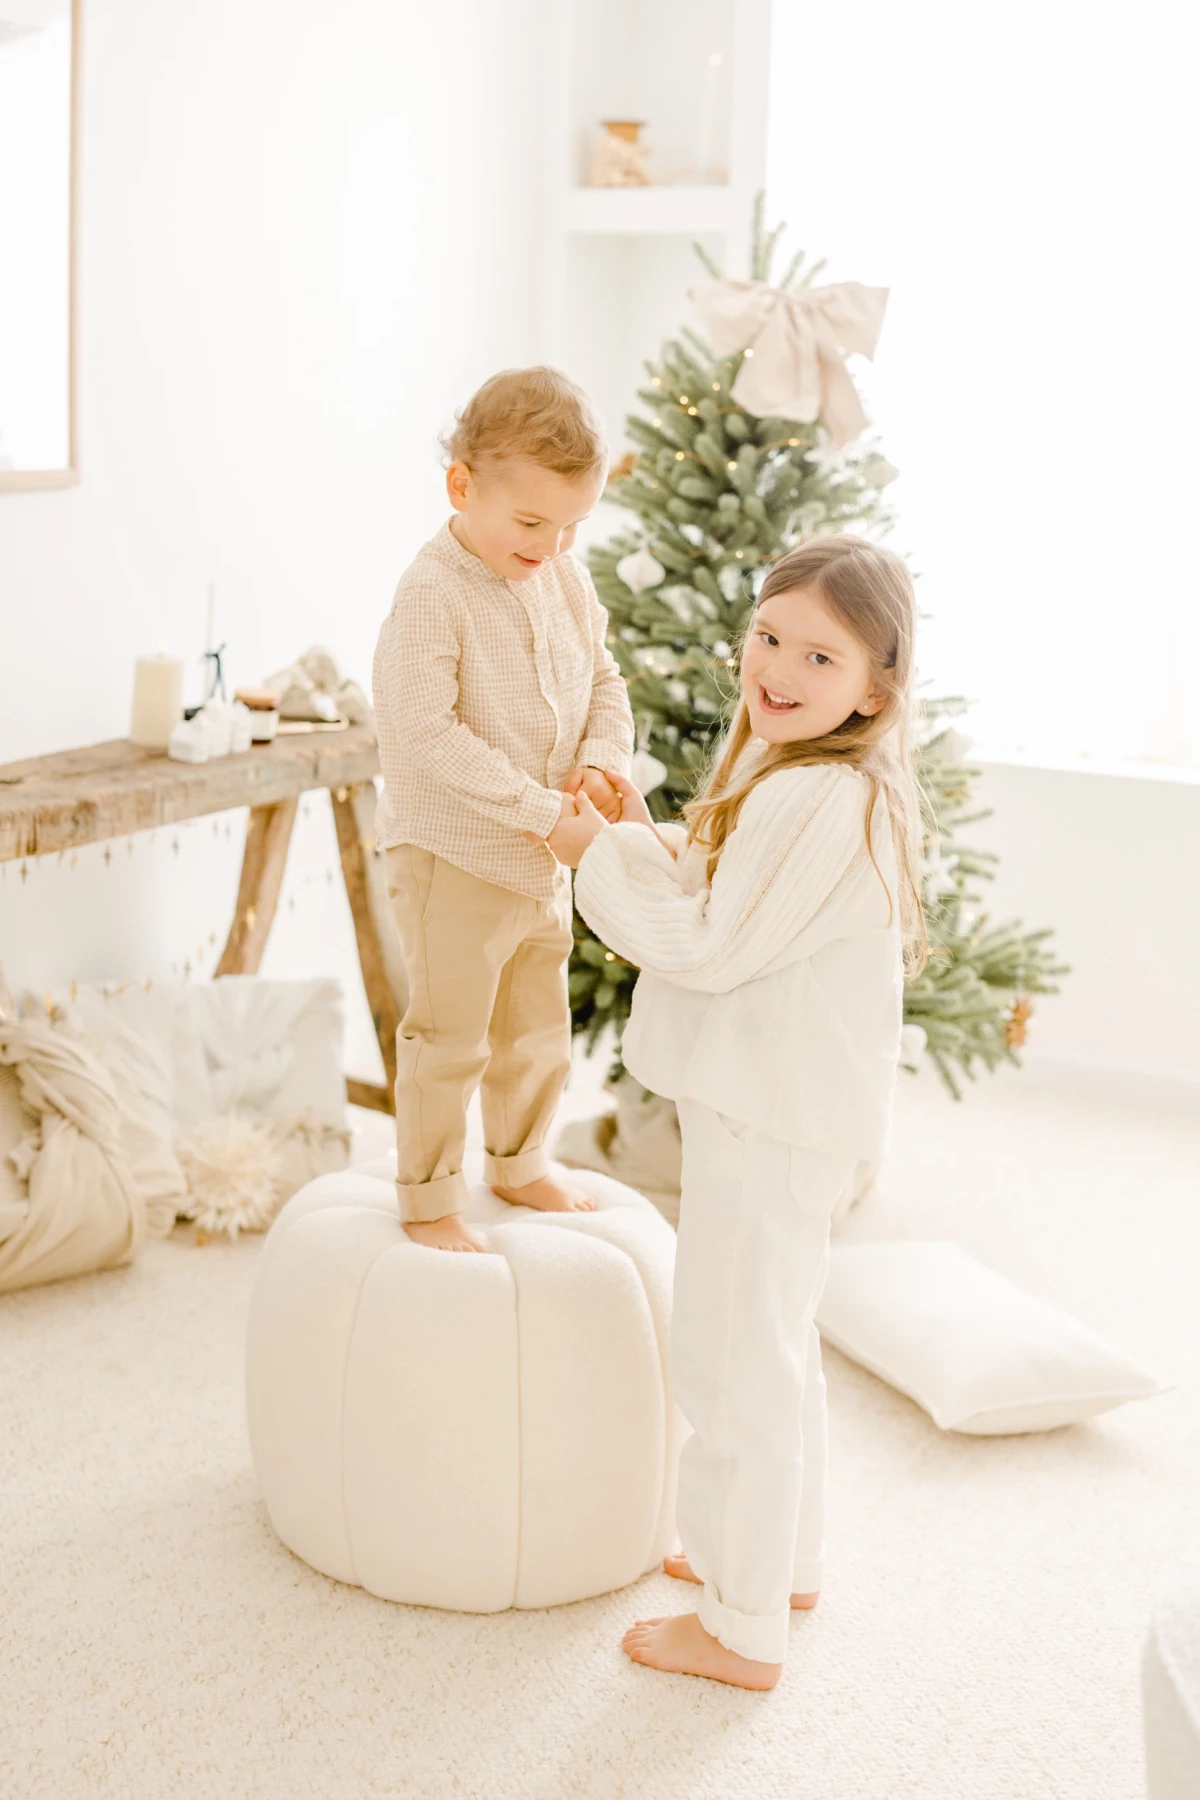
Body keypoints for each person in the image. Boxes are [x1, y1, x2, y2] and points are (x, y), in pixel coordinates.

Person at [542, 534, 926, 1690]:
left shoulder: (817, 795)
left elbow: (700, 946)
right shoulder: (808, 782)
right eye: (769, 636)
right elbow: (728, 899)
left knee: (729, 1362)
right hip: (783, 1119)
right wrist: (630, 835)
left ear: (877, 686)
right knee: (773, 1344)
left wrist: (586, 858)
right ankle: (776, 1563)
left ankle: (742, 1621)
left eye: (820, 654)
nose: (779, 668)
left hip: (769, 1126)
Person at [372, 366, 634, 1254]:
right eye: (531, 524)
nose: (553, 546)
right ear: (462, 488)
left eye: (572, 526)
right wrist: (536, 809)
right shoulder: (432, 593)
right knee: (450, 1034)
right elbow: (425, 734)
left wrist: (601, 760)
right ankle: (429, 1193)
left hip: (540, 856)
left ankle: (521, 1163)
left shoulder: (563, 579)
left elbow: (602, 675)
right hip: (456, 854)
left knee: (535, 1026)